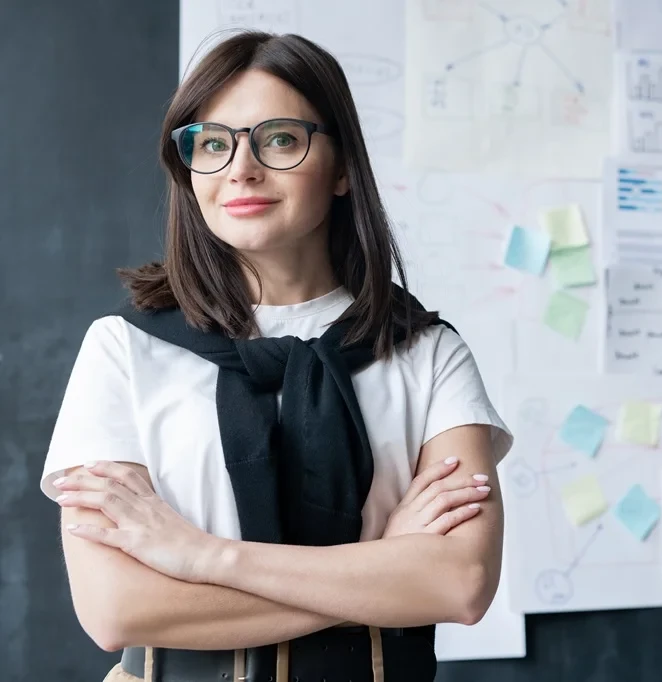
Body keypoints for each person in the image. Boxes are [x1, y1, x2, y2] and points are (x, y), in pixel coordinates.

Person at [37, 30, 512, 682]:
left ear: (342, 166)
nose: (240, 168)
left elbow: (460, 583)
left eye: (279, 139)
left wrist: (200, 557)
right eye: (212, 143)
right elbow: (115, 608)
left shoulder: (429, 355)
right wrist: (385, 565)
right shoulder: (124, 350)